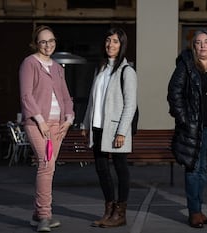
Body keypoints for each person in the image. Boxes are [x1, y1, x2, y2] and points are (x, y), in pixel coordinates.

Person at [167, 29, 207, 228]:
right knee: (193, 169)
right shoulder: (186, 67)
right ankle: (194, 212)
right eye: (198, 42)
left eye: (206, 42)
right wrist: (186, 120)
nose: (202, 46)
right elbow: (173, 94)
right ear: (193, 46)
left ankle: (199, 210)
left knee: (202, 170)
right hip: (193, 129)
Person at [19, 25, 75, 232]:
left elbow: (66, 97)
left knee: (49, 168)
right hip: (37, 124)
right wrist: (40, 121)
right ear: (36, 43)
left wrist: (68, 120)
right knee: (46, 165)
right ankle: (44, 217)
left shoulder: (58, 68)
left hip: (57, 126)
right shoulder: (30, 63)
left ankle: (37, 214)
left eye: (51, 41)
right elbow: (26, 95)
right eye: (43, 41)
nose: (48, 45)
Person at [81, 27, 137, 228]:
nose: (110, 45)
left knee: (121, 169)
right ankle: (109, 210)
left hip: (115, 130)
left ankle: (120, 214)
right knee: (102, 170)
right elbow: (92, 100)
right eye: (108, 40)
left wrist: (122, 131)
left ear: (121, 45)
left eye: (115, 41)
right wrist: (86, 123)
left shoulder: (127, 71)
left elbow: (130, 104)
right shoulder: (101, 69)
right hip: (97, 127)